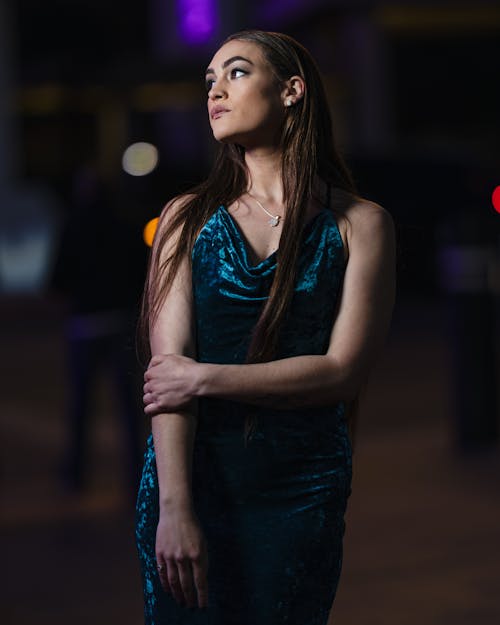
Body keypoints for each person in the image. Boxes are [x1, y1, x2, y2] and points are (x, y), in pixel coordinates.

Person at [135, 29, 395, 625]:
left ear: (291, 91)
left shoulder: (361, 224)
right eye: (208, 81)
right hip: (194, 480)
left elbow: (341, 372)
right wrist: (175, 508)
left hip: (301, 489)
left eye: (236, 73)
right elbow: (165, 377)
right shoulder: (187, 217)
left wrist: (203, 378)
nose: (215, 92)